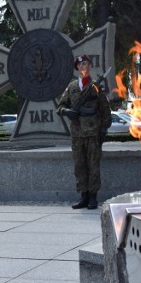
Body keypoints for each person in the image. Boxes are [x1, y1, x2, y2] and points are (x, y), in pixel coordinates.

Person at [57, 54, 111, 210]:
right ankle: (84, 196)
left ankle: (93, 197)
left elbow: (105, 110)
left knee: (93, 165)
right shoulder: (72, 87)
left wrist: (103, 130)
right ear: (77, 68)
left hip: (93, 132)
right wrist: (67, 111)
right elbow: (60, 107)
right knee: (79, 166)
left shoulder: (96, 86)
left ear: (89, 66)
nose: (82, 67)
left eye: (85, 64)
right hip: (77, 132)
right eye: (80, 65)